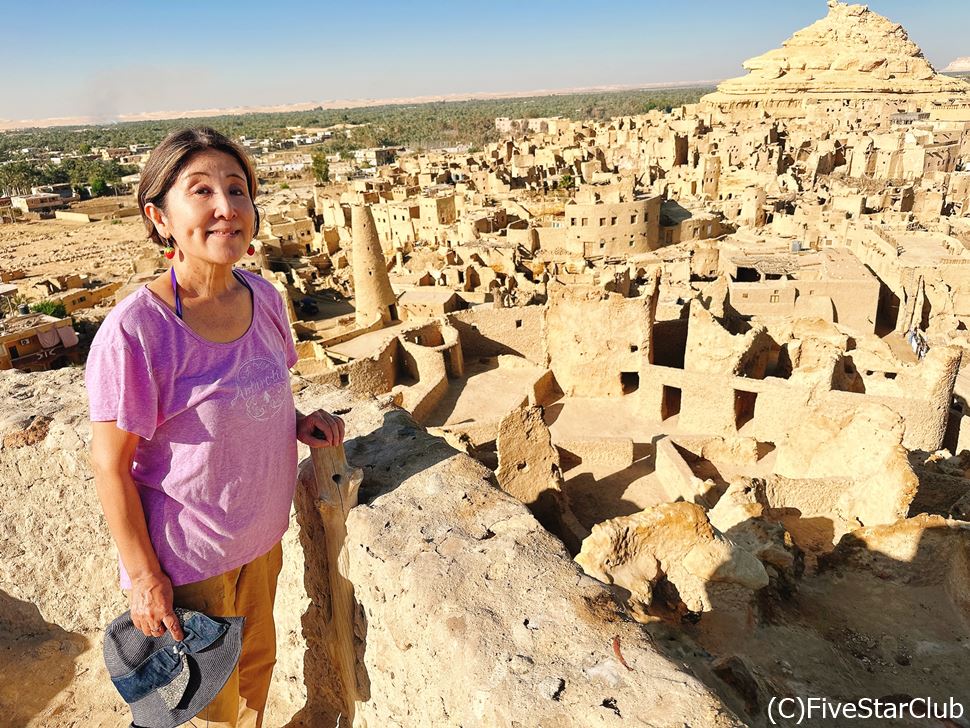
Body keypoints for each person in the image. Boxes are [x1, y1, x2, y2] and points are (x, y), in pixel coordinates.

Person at [86, 127, 344, 728]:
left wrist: (301, 422)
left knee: (254, 686)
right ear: (160, 218)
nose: (227, 207)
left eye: (238, 189)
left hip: (262, 545)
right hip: (190, 567)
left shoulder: (265, 297)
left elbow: (258, 394)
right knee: (206, 713)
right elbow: (109, 465)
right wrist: (146, 579)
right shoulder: (138, 332)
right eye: (201, 191)